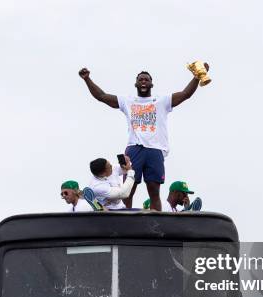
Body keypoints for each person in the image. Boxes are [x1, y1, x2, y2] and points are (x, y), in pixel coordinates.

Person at [78, 64, 209, 211]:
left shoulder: (162, 101)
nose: (143, 81)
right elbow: (102, 96)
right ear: (136, 84)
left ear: (151, 83)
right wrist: (87, 79)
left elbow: (185, 94)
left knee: (154, 190)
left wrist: (197, 76)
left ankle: (156, 221)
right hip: (135, 148)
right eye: (140, 79)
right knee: (129, 189)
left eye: (146, 79)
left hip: (155, 149)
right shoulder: (128, 101)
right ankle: (124, 219)